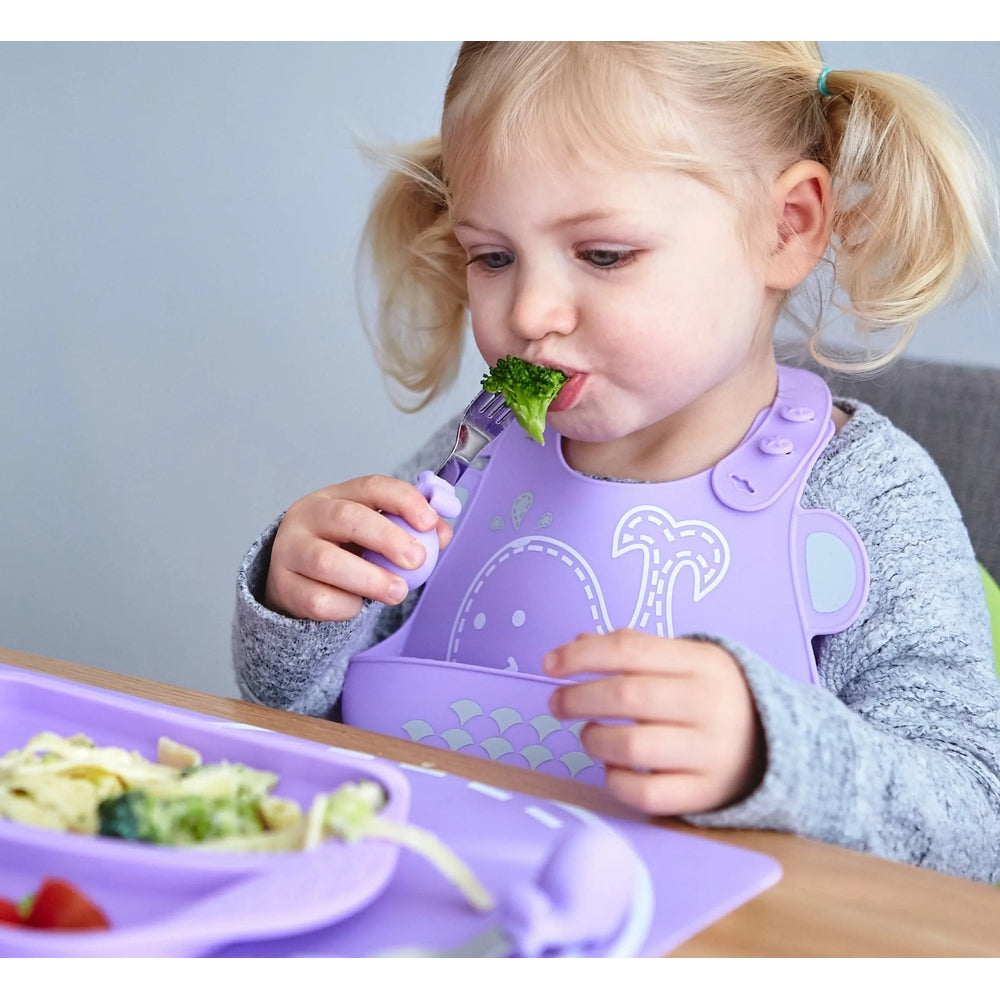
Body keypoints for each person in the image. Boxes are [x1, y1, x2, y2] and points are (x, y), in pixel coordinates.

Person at [233, 42, 1000, 883]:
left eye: (603, 255)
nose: (530, 313)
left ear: (787, 227)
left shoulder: (866, 495)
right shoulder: (480, 455)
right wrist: (302, 603)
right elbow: (304, 713)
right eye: (492, 256)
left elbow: (976, 823)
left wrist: (773, 753)